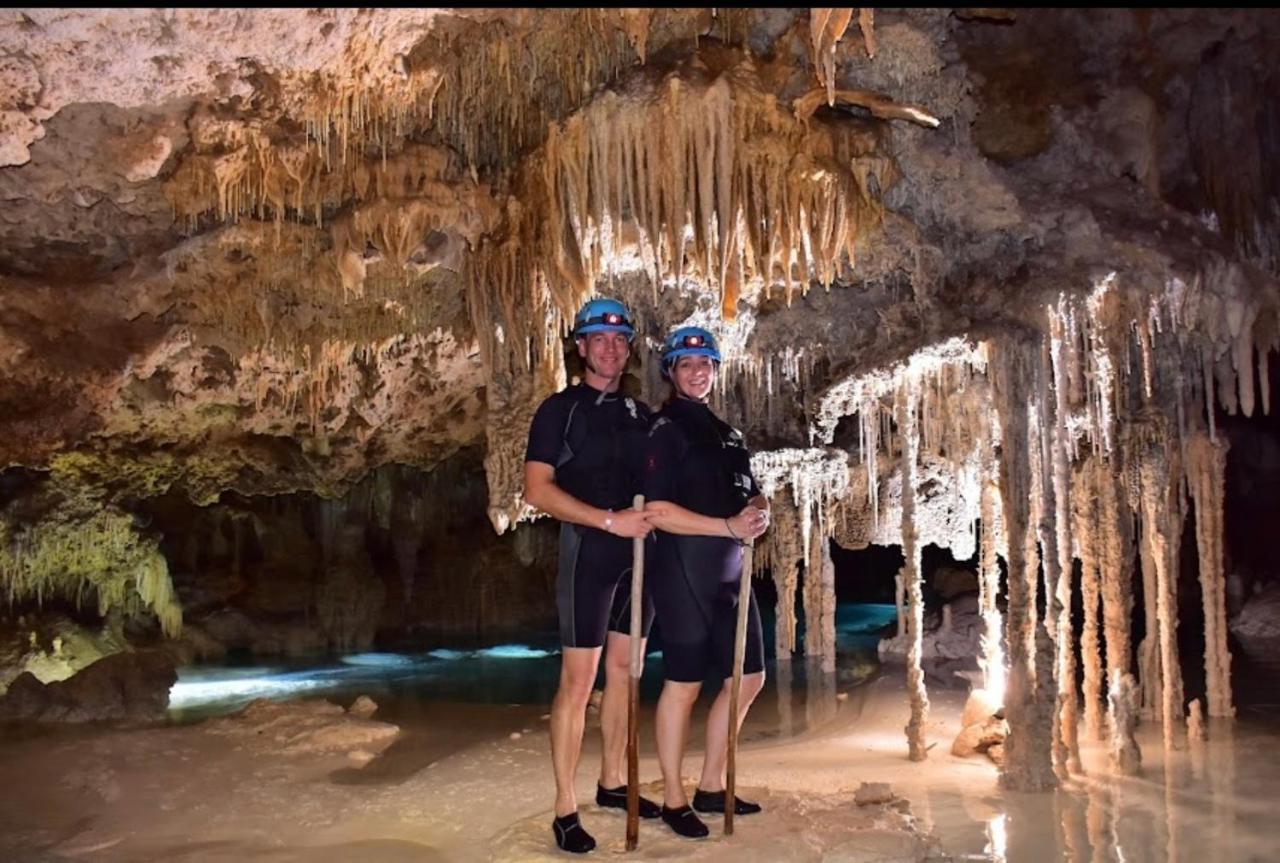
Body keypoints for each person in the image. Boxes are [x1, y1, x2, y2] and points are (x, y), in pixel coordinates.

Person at [523, 297, 661, 854]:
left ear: (627, 348)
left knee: (626, 676)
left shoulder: (640, 415)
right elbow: (537, 490)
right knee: (579, 684)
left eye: (619, 339)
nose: (610, 347)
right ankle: (564, 807)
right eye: (599, 339)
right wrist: (608, 521)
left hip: (641, 559)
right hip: (590, 553)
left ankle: (613, 783)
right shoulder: (560, 411)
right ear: (580, 346)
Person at [642, 325, 771, 839]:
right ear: (671, 372)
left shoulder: (728, 434)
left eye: (706, 364)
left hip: (731, 569)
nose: (698, 372)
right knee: (684, 683)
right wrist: (727, 527)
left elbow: (752, 493)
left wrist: (760, 511)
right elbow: (656, 510)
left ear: (715, 370)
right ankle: (674, 798)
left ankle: (713, 786)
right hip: (684, 566)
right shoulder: (665, 429)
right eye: (687, 365)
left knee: (749, 677)